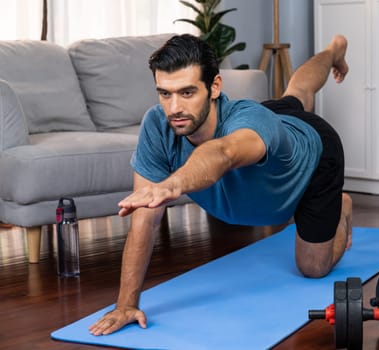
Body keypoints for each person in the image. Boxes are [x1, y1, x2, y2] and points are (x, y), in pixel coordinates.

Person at [89, 33, 352, 336]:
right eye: (165, 93)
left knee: (313, 268)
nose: (173, 108)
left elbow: (223, 153)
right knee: (298, 92)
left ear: (214, 87)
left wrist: (174, 184)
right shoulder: (158, 125)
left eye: (187, 93)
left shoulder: (248, 125)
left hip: (316, 156)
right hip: (273, 121)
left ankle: (341, 207)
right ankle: (335, 50)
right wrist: (125, 304)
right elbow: (144, 222)